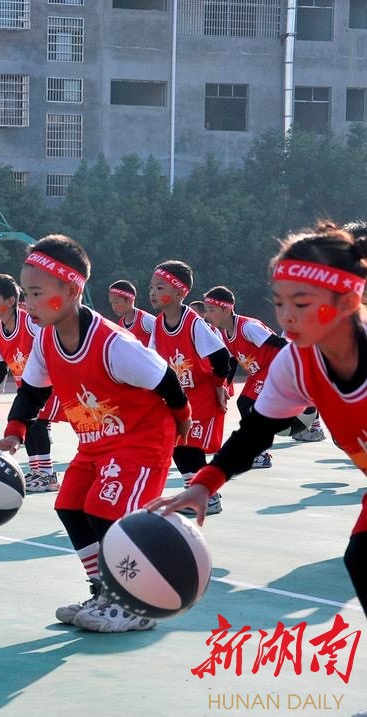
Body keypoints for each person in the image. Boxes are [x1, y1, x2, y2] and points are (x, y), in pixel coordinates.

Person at [149, 221, 367, 615]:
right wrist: (204, 484)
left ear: (348, 304)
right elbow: (255, 432)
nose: (285, 317)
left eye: (300, 305)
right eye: (279, 302)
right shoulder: (297, 362)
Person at [0, 235, 191, 632]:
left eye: (36, 292)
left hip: (140, 440)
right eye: (25, 292)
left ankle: (134, 602)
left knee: (105, 511)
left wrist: (182, 419)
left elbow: (165, 378)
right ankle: (104, 590)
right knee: (70, 506)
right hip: (96, 442)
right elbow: (32, 391)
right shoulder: (46, 338)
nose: (27, 302)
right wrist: (13, 433)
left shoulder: (113, 343)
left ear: (72, 289)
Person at [149, 260, 234, 516]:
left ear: (179, 292)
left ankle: (208, 498)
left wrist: (220, 387)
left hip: (201, 396)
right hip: (179, 396)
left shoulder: (193, 323)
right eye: (151, 286)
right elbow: (152, 361)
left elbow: (222, 358)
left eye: (159, 286)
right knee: (177, 445)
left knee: (190, 446)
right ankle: (197, 493)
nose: (152, 292)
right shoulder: (158, 323)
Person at [0, 273, 61, 492]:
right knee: (29, 424)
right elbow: (0, 368)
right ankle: (38, 472)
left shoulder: (30, 322)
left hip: (49, 384)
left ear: (11, 301)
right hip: (28, 390)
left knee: (38, 422)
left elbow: (52, 343)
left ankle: (47, 475)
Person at [202, 285, 287, 469]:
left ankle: (261, 451)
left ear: (226, 309)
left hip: (275, 367)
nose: (206, 316)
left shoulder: (248, 327)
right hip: (259, 373)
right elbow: (231, 364)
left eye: (211, 310)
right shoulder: (224, 333)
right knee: (243, 404)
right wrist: (224, 385)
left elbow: (279, 343)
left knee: (249, 405)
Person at [108, 280, 155, 345]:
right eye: (112, 303)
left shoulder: (146, 319)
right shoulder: (121, 323)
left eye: (116, 302)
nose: (114, 307)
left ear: (129, 300)